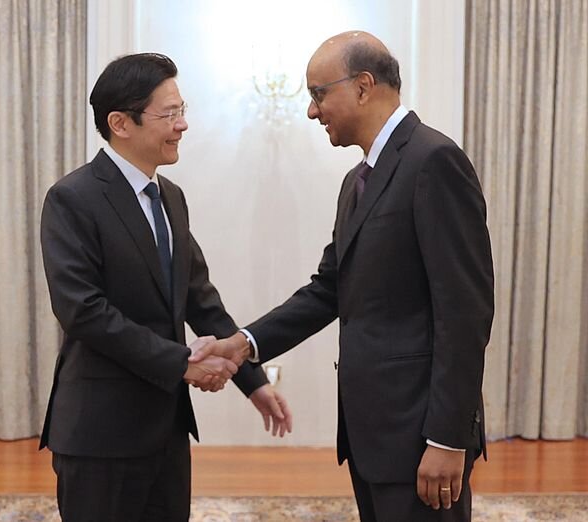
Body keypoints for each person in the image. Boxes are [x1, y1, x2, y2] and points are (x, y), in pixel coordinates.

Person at [191, 31, 494, 521]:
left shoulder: (433, 161)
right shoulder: (356, 182)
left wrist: (447, 438)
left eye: (317, 93)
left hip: (419, 433)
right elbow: (328, 289)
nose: (312, 111)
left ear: (363, 86)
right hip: (371, 433)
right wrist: (243, 344)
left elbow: (466, 312)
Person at [39, 52, 292, 522]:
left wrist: (251, 379)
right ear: (120, 122)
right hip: (100, 431)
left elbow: (200, 298)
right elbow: (83, 311)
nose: (183, 125)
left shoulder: (170, 197)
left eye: (183, 110)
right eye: (170, 113)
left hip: (166, 427)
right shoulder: (72, 199)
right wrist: (182, 364)